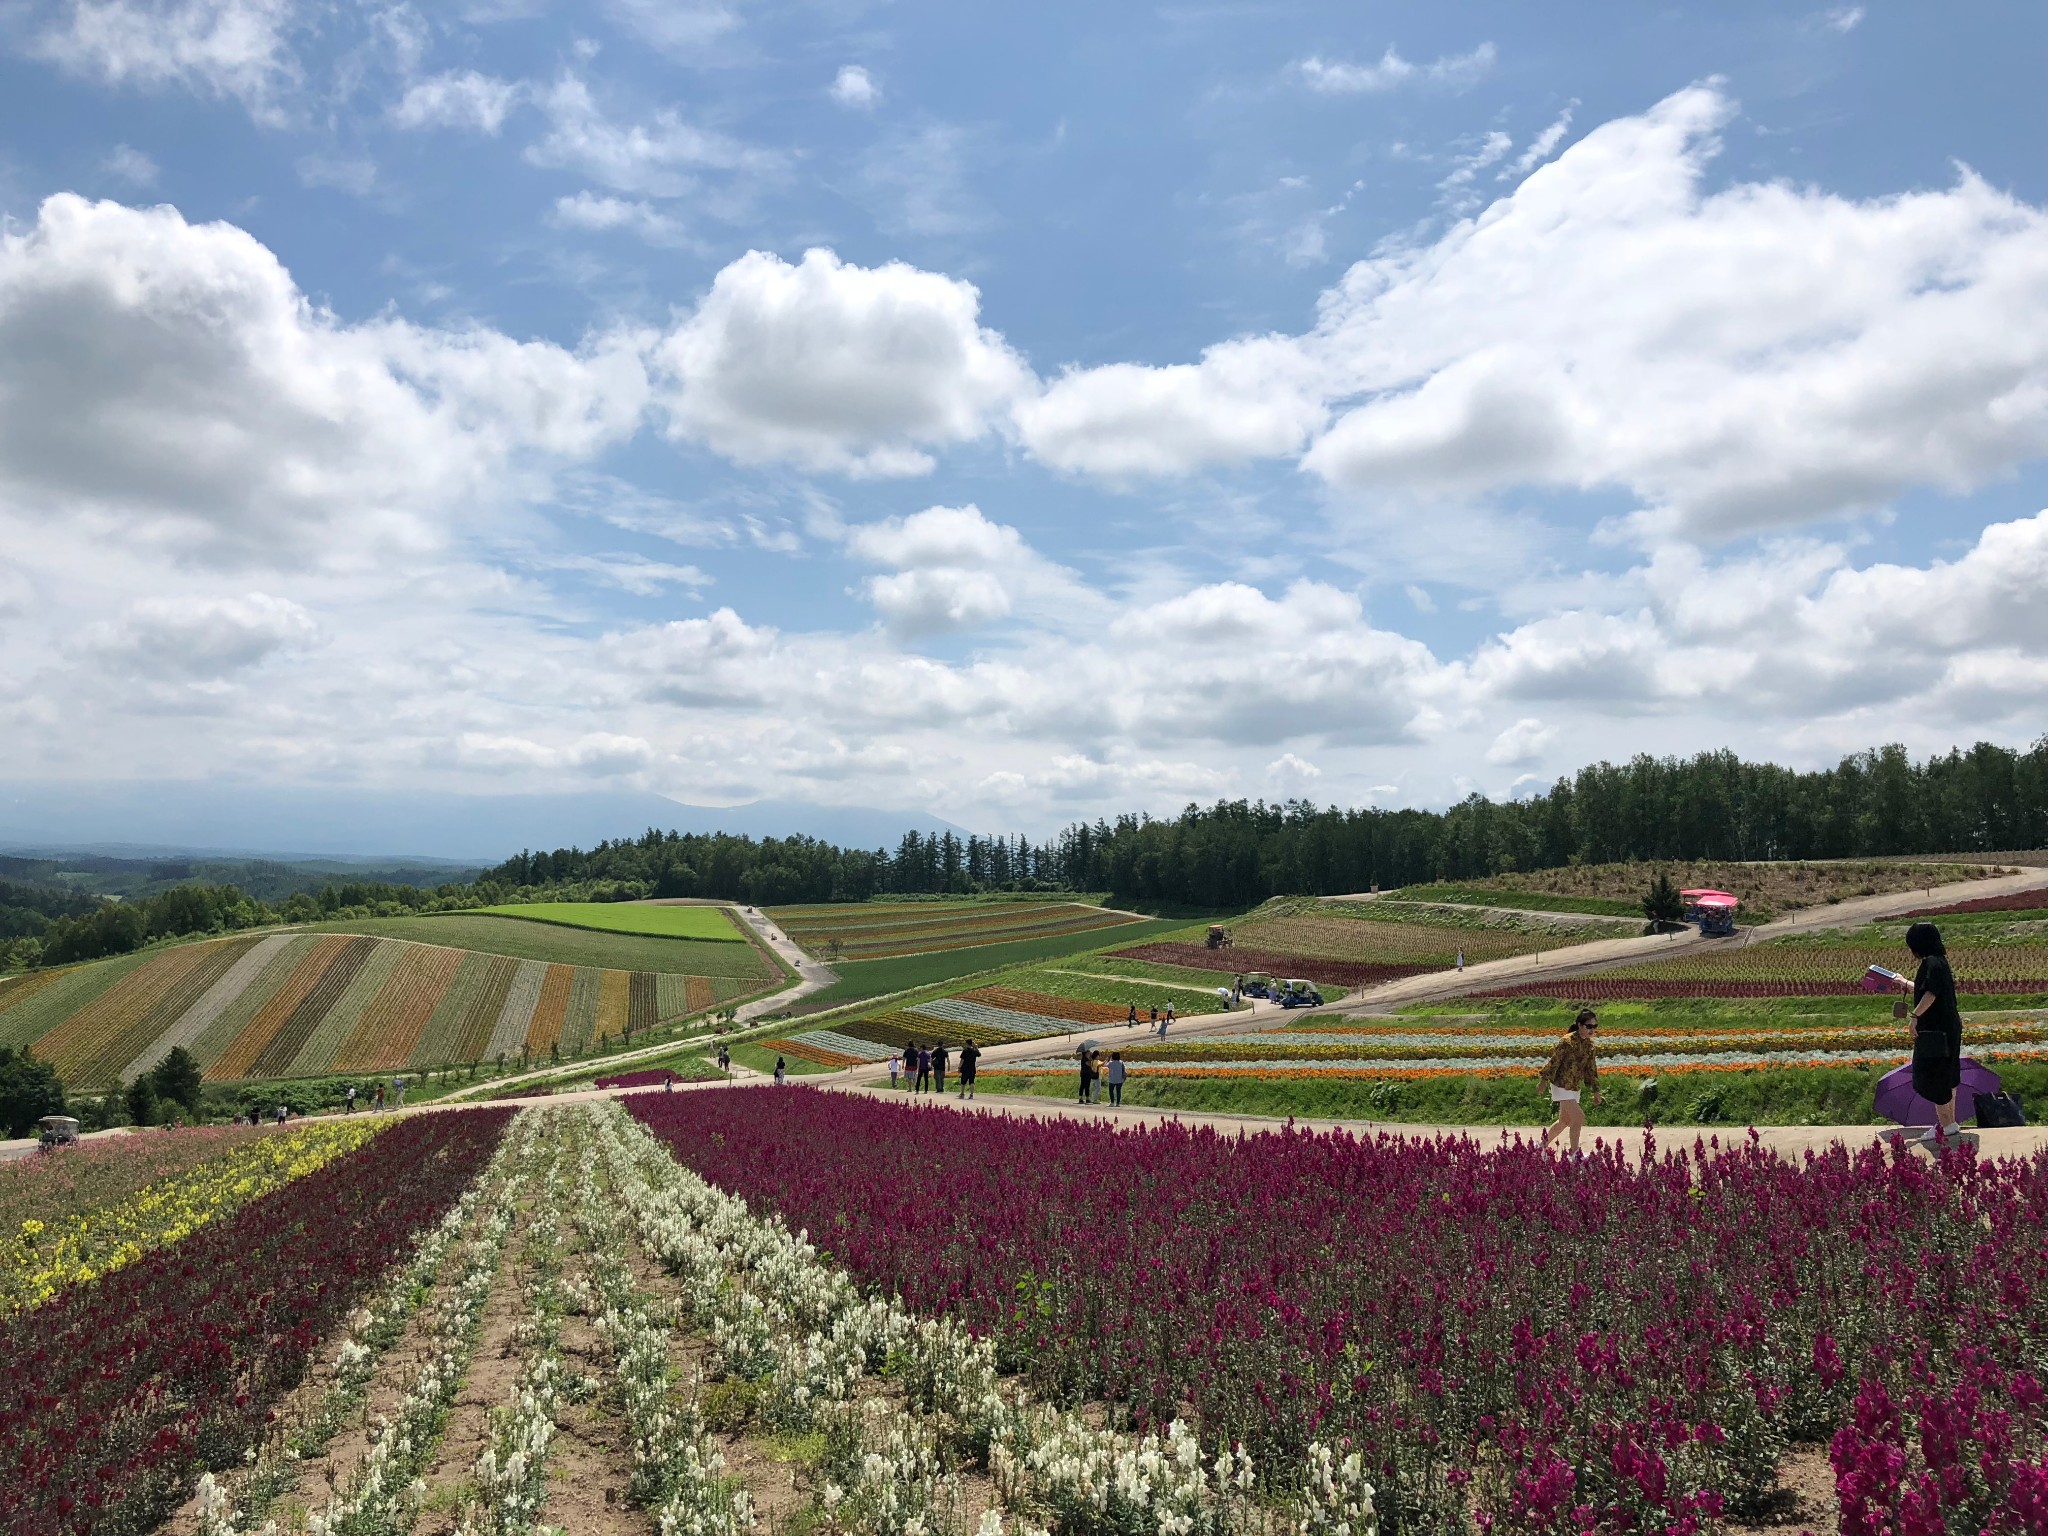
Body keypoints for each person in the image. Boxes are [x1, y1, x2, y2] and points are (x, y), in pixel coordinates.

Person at [1897, 921, 1964, 1142]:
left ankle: (1946, 1125)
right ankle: (1949, 1123)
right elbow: (1929, 988)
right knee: (1947, 1073)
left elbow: (1931, 994)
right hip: (1948, 1027)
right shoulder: (1939, 962)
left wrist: (1914, 1017)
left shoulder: (1931, 963)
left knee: (1932, 1075)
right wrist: (1905, 982)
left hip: (1936, 1030)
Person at [1538, 1009, 1602, 1153]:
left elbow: (1591, 1070)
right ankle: (1575, 1154)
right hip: (1561, 1085)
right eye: (1589, 1026)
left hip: (1574, 1087)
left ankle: (1541, 1146)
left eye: (1595, 1026)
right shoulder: (1567, 1041)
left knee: (1564, 1121)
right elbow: (1554, 1061)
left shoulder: (1590, 1046)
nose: (1592, 1030)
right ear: (1579, 1025)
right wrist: (1543, 1080)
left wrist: (1596, 1091)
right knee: (1578, 1117)